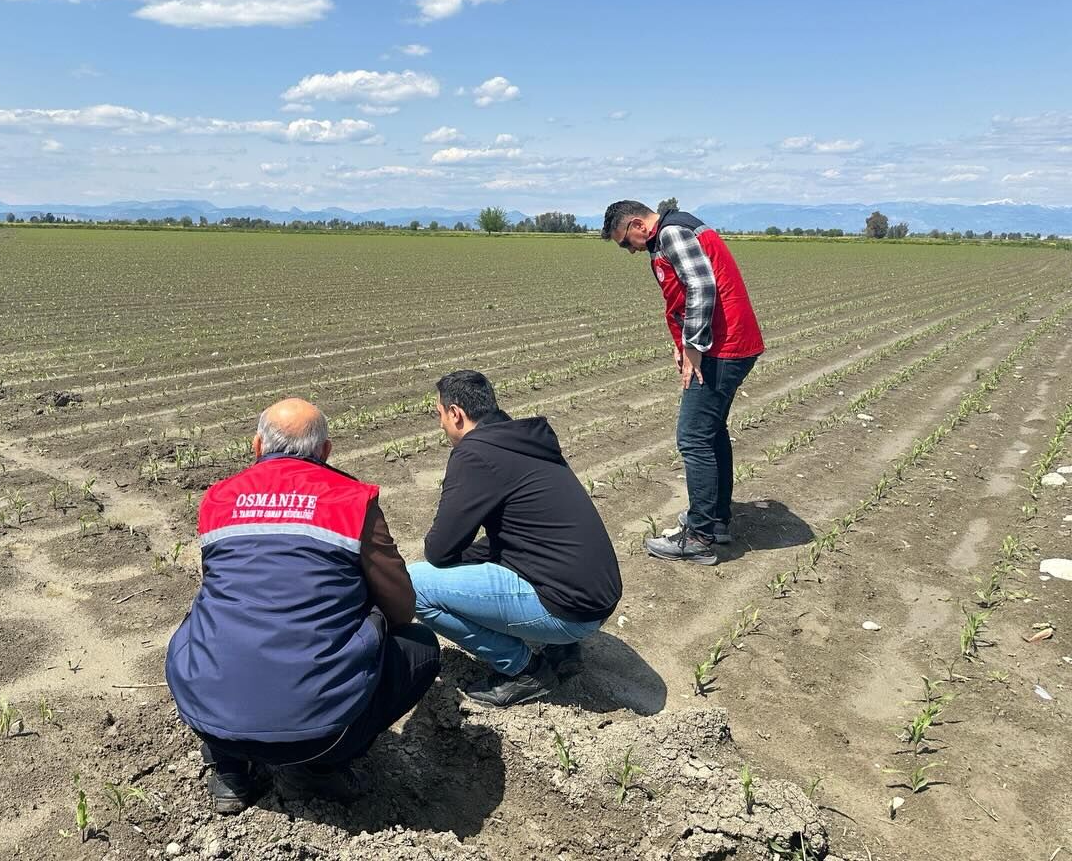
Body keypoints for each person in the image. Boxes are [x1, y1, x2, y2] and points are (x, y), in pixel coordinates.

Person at [165, 398, 440, 814]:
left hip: (208, 717)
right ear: (325, 451)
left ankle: (229, 769)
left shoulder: (219, 498)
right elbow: (401, 608)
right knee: (420, 645)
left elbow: (217, 586)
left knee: (207, 620)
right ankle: (315, 767)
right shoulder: (352, 500)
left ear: (257, 446)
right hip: (319, 733)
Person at [408, 371, 622, 707]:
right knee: (495, 554)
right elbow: (521, 536)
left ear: (456, 414)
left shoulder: (474, 454)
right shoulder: (523, 440)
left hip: (569, 610)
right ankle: (558, 647)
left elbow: (438, 549)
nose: (440, 425)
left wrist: (461, 561)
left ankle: (523, 670)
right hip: (596, 597)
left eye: (439, 415)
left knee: (412, 585)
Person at [601, 200, 764, 564]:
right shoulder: (676, 230)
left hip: (723, 347)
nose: (630, 251)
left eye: (626, 242)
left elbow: (701, 287)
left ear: (639, 225)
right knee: (711, 432)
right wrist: (683, 342)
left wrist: (693, 347)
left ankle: (701, 536)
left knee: (692, 437)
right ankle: (716, 520)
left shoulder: (672, 233)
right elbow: (684, 295)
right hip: (729, 344)